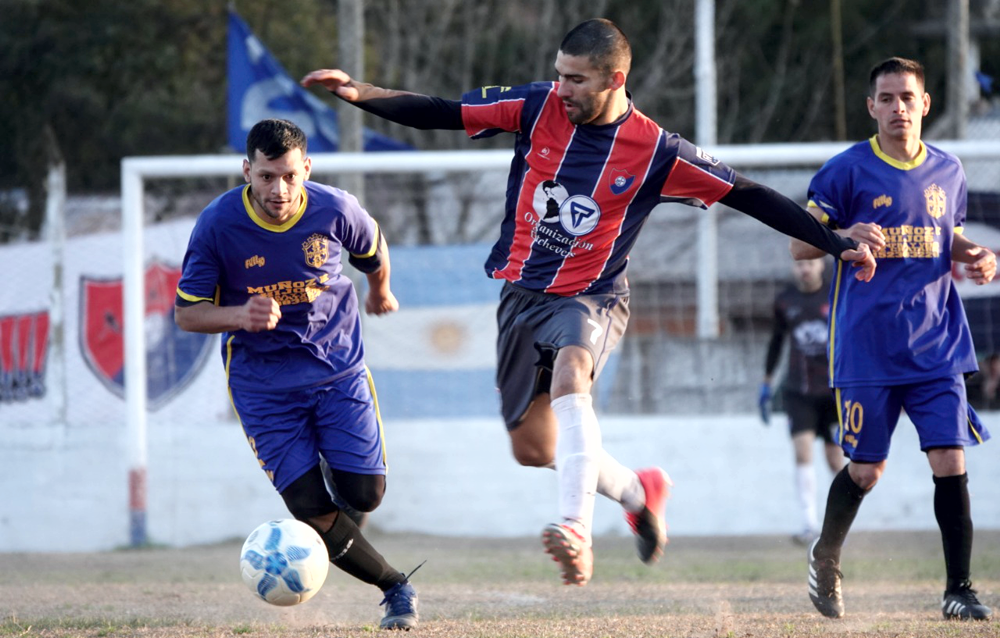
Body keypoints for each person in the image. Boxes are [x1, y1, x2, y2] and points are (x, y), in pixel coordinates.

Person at [301, 18, 875, 587]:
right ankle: (636, 491)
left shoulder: (657, 151)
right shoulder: (535, 106)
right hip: (521, 296)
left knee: (574, 375)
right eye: (559, 75)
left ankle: (577, 530)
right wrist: (361, 93)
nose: (563, 89)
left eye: (576, 79)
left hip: (592, 296)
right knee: (533, 449)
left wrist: (834, 242)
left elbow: (748, 194)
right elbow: (443, 110)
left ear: (614, 78)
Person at [174, 119, 419, 630]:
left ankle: (335, 508)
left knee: (365, 494)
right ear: (247, 171)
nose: (278, 190)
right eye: (265, 177)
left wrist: (380, 290)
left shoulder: (335, 208)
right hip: (262, 386)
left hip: (336, 369)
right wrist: (240, 315)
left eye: (288, 175)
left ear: (306, 168)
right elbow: (187, 313)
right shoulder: (218, 225)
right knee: (309, 505)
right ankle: (396, 587)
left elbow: (373, 249)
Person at [790, 57, 995, 621]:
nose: (898, 108)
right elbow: (800, 247)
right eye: (887, 98)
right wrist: (841, 235)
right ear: (871, 107)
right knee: (865, 471)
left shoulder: (949, 171)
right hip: (866, 349)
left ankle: (959, 589)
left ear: (924, 104)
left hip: (937, 345)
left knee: (949, 459)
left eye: (908, 97)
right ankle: (826, 555)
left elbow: (943, 236)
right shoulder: (846, 171)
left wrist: (976, 254)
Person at [760, 257, 844, 546]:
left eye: (810, 263)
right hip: (798, 390)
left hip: (834, 391)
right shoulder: (785, 300)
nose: (804, 269)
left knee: (835, 458)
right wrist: (766, 382)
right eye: (799, 264)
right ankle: (809, 525)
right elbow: (776, 340)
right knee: (802, 451)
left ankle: (838, 524)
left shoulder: (836, 294)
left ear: (821, 265)